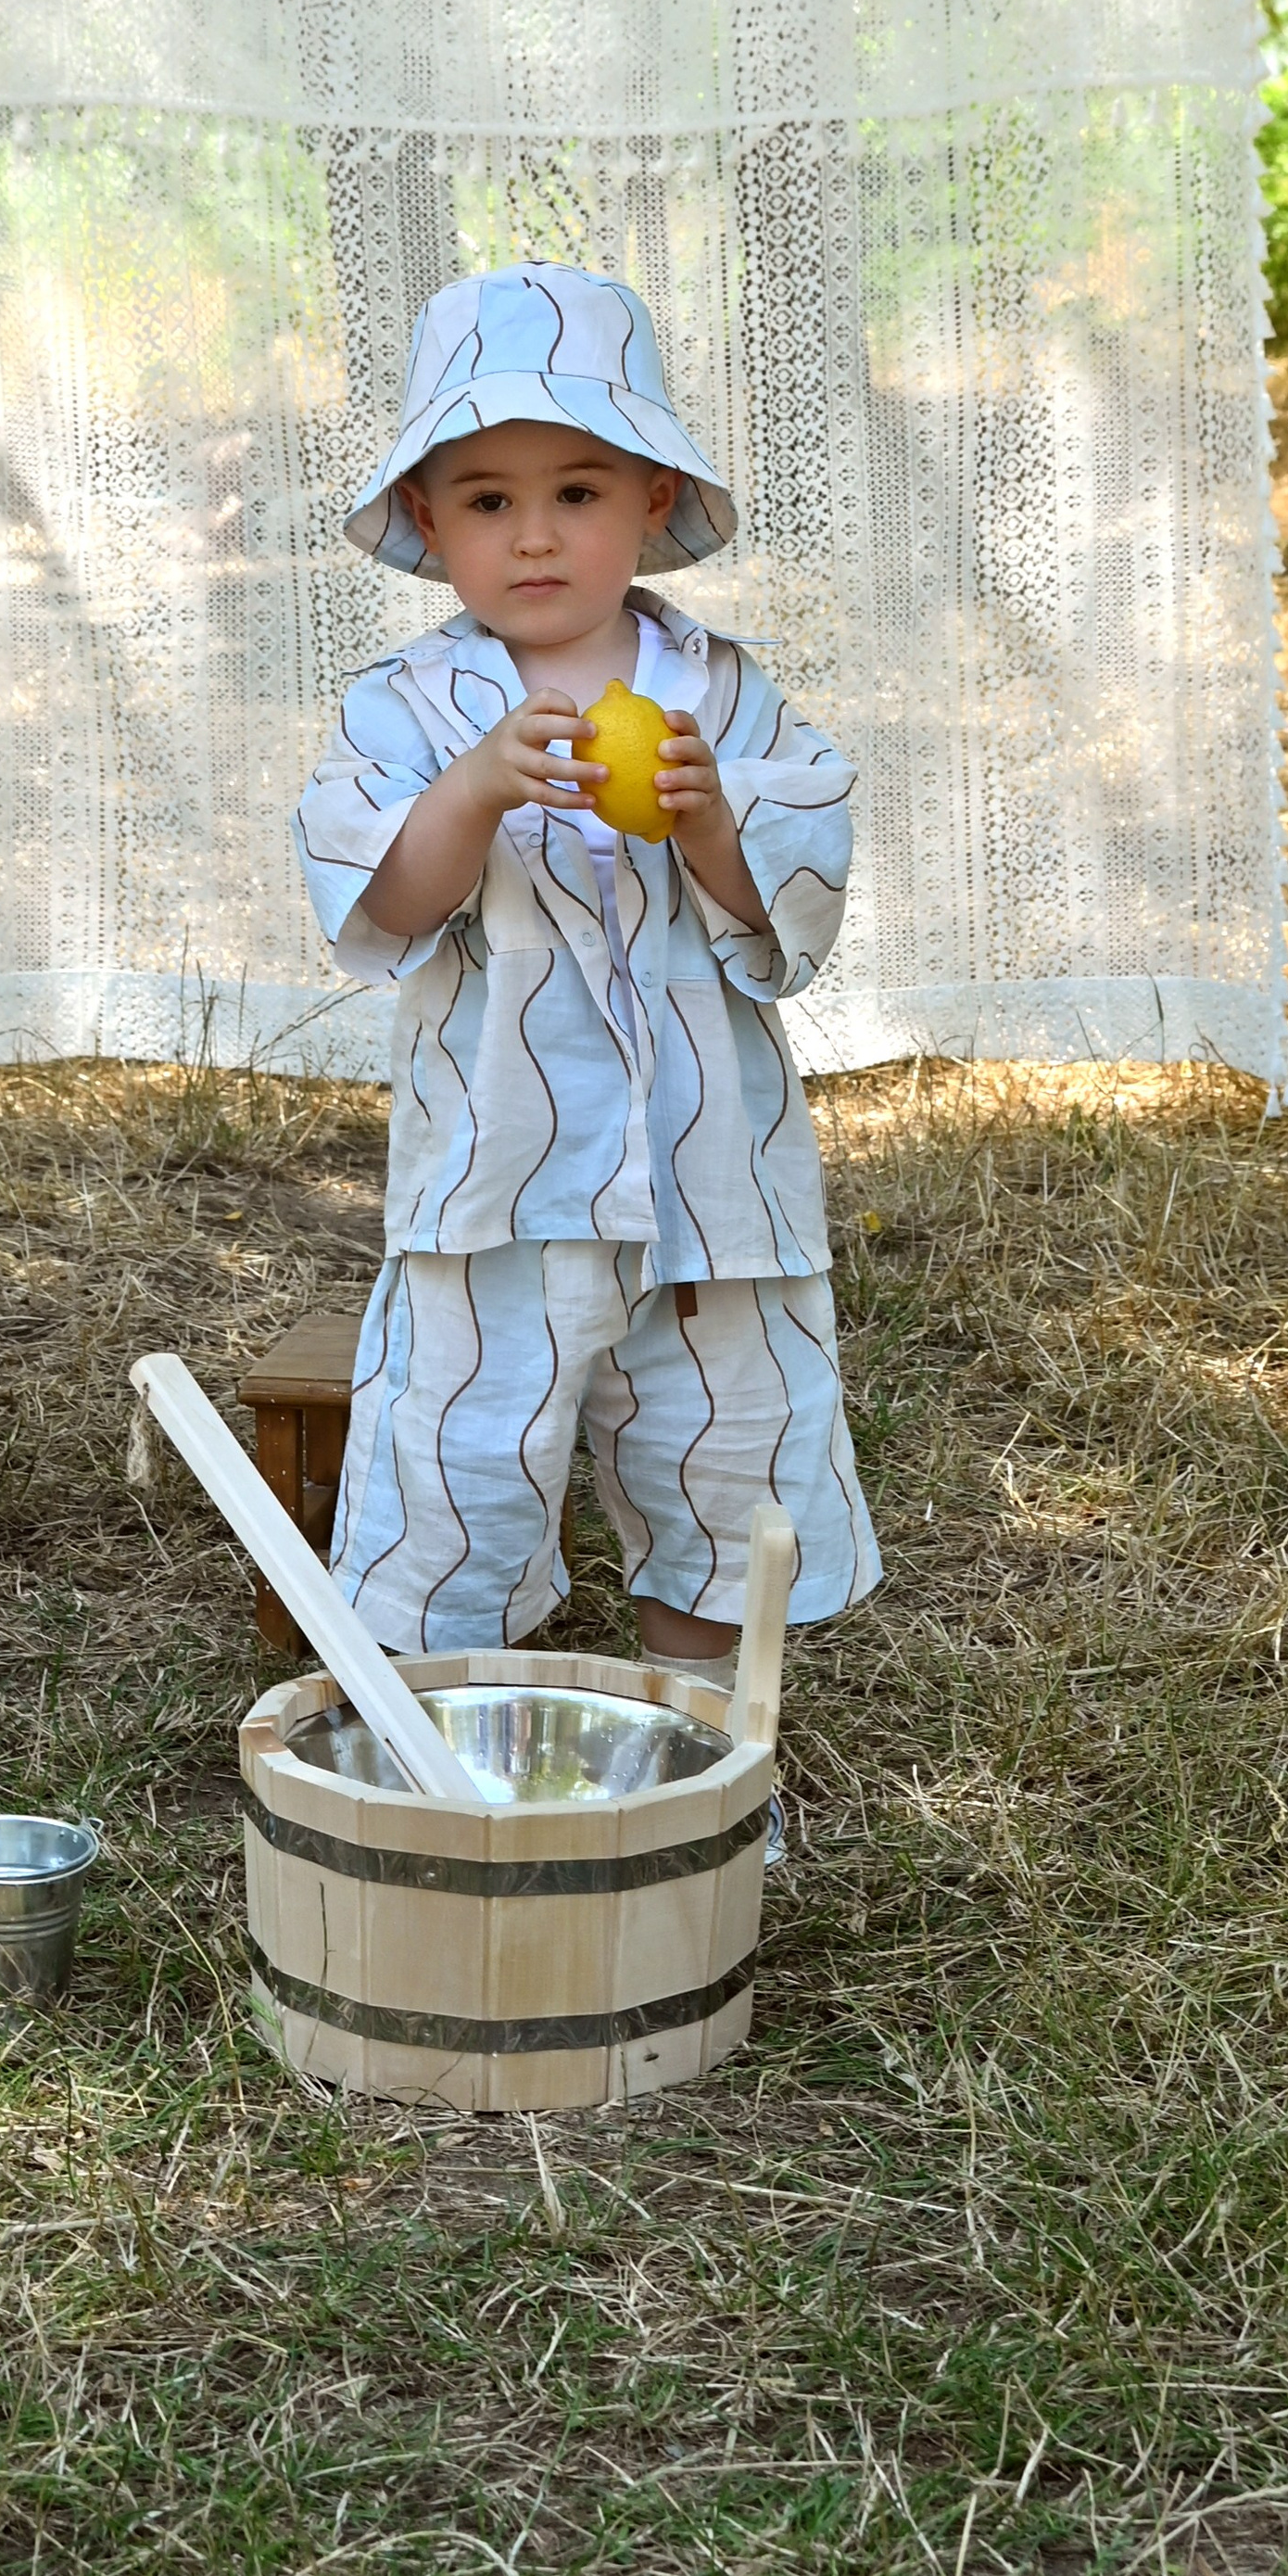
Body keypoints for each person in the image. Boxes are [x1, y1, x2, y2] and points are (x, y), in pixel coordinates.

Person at [296, 261, 881, 1673]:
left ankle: (702, 1761)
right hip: (495, 1193)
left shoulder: (723, 697)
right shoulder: (409, 706)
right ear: (430, 522)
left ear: (653, 503)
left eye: (579, 491)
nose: (537, 536)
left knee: (724, 1468)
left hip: (709, 1191)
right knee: (459, 1471)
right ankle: (446, 1752)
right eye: (489, 500)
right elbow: (382, 902)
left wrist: (708, 818)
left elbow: (789, 913)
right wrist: (472, 794)